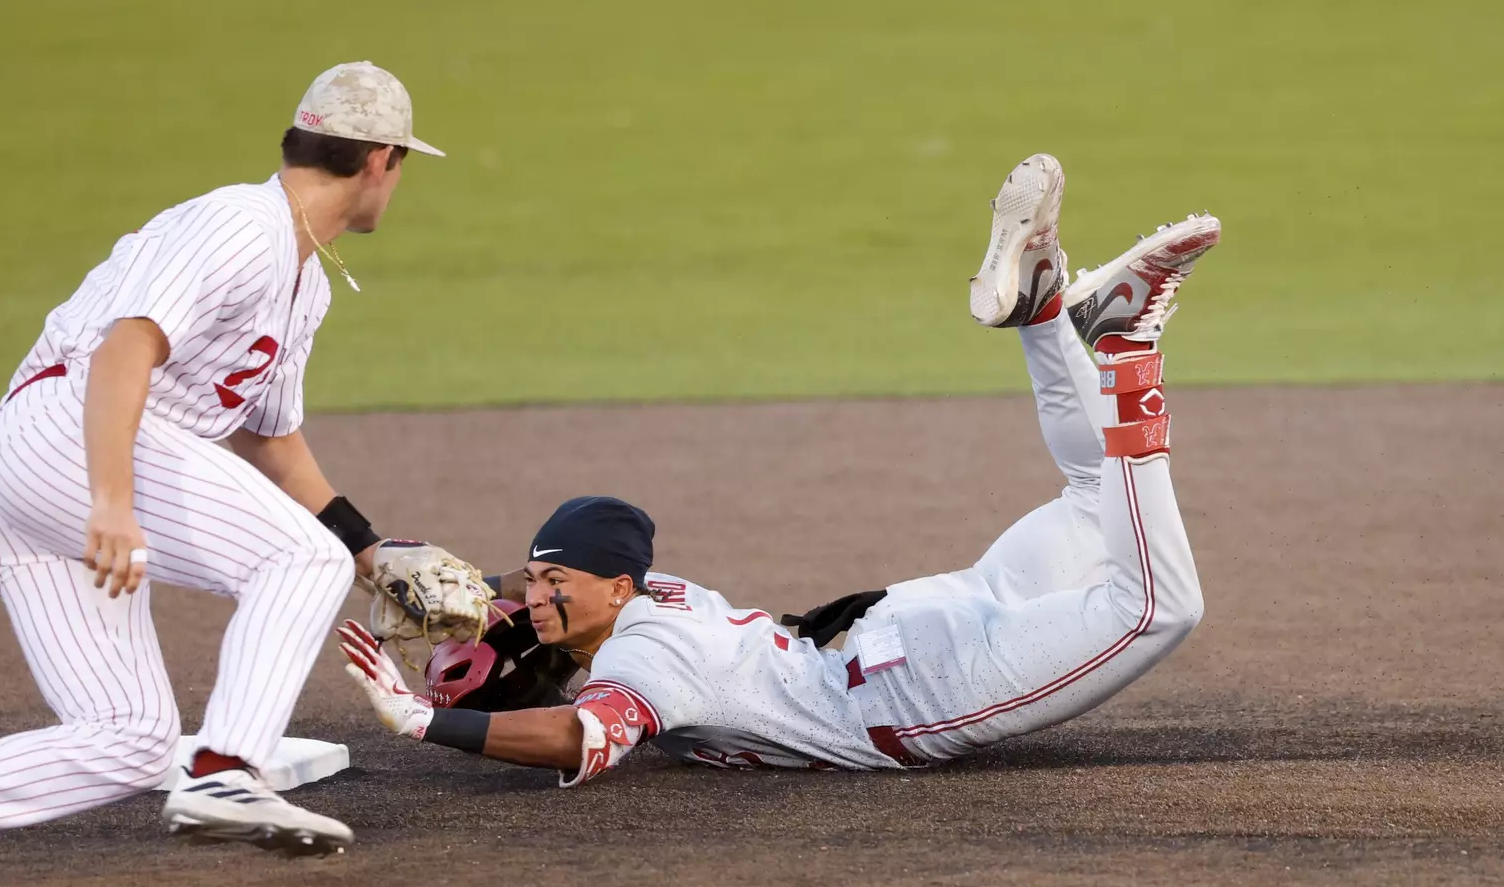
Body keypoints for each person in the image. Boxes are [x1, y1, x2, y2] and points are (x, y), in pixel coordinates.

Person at [339, 154, 1214, 784]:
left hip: (922, 687)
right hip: (917, 623)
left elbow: (580, 738)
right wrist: (421, 574)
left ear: (610, 586)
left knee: (1158, 608)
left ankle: (1125, 352)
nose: (529, 595)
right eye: (532, 586)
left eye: (546, 582)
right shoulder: (639, 595)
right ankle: (1047, 313)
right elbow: (543, 586)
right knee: (1098, 494)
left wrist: (424, 720)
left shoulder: (646, 660)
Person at [0, 62, 489, 887]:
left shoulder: (303, 282)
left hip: (34, 488)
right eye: (401, 166)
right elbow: (125, 349)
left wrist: (371, 552)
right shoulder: (240, 224)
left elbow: (269, 439)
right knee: (299, 562)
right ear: (381, 160)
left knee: (132, 737)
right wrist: (111, 500)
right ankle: (227, 768)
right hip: (68, 438)